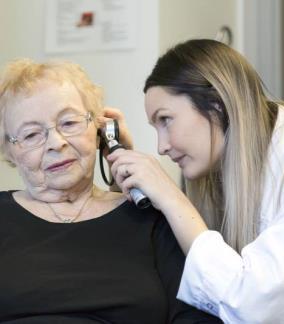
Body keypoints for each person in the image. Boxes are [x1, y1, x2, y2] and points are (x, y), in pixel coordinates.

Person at [106, 39, 284, 323]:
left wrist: (171, 198)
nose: (161, 146)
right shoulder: (225, 165)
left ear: (216, 105)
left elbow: (251, 304)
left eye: (166, 120)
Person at [0, 58, 223, 323]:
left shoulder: (149, 217)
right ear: (9, 151)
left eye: (69, 123)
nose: (56, 143)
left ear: (101, 129)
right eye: (30, 135)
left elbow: (196, 316)